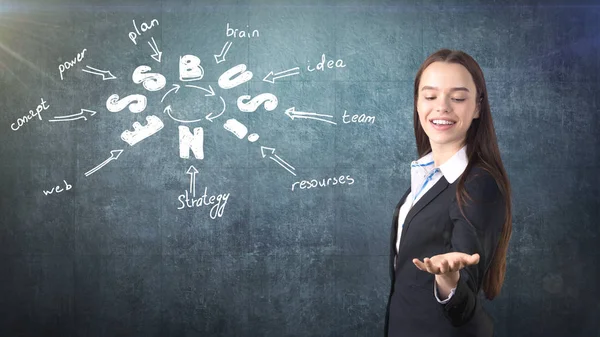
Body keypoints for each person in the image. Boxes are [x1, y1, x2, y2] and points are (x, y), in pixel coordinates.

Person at [384, 49, 512, 337]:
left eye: (457, 98)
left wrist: (449, 279)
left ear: (478, 107)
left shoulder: (479, 184)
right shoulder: (427, 174)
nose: (442, 107)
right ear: (417, 103)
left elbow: (463, 304)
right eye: (430, 96)